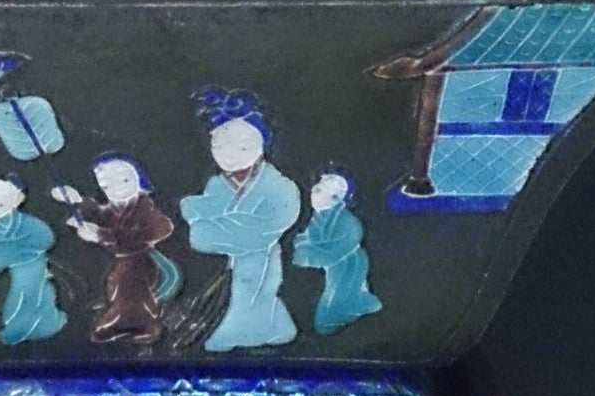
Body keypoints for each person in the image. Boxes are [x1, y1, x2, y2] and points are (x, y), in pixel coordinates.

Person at [179, 90, 300, 352]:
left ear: (262, 144)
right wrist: (197, 211)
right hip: (233, 260)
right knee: (248, 292)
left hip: (262, 257)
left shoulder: (281, 188)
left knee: (253, 292)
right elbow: (203, 206)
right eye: (219, 146)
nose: (230, 155)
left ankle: (239, 333)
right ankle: (278, 328)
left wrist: (204, 229)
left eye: (242, 146)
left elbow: (257, 230)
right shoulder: (218, 183)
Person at [52, 153, 179, 347]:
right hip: (125, 261)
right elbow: (99, 215)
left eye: (124, 180)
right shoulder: (115, 209)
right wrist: (76, 200)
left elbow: (162, 228)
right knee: (116, 284)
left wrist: (103, 236)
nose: (116, 188)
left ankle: (143, 324)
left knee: (128, 284)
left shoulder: (144, 207)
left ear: (139, 178)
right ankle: (123, 321)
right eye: (106, 185)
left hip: (142, 261)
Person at [0, 175, 66, 344]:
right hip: (19, 269)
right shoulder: (0, 225)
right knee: (25, 296)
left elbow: (43, 238)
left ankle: (22, 330)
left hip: (30, 266)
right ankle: (42, 323)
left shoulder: (25, 223)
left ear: (17, 200)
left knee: (25, 296)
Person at [292, 170, 383, 336]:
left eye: (322, 191)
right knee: (339, 293)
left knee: (336, 298)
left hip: (350, 264)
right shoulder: (319, 217)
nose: (315, 194)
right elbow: (307, 237)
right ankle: (359, 303)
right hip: (334, 263)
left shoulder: (349, 223)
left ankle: (344, 313)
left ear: (336, 198)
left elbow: (337, 249)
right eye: (317, 188)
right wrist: (302, 247)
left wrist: (309, 255)